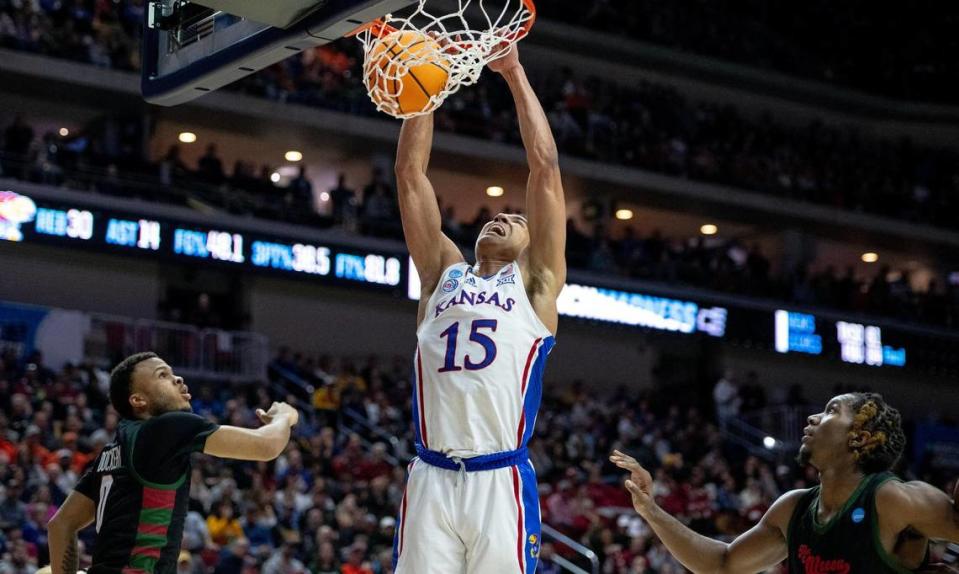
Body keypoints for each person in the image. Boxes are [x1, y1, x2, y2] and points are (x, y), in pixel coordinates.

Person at [392, 42, 566, 573]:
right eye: (496, 217)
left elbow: (545, 169)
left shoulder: (535, 285)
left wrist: (512, 73)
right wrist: (426, 85)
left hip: (499, 479)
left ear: (531, 245)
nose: (501, 218)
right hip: (429, 474)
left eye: (516, 221)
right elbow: (409, 174)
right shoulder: (439, 275)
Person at [611, 393, 959, 573]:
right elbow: (720, 564)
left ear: (860, 437)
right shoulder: (795, 508)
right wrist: (650, 510)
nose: (813, 417)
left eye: (831, 411)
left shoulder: (893, 499)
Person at [46, 352, 299, 574]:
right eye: (162, 375)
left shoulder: (111, 452)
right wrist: (284, 416)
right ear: (138, 400)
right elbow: (267, 446)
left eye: (173, 373)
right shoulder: (165, 427)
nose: (177, 379)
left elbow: (61, 525)